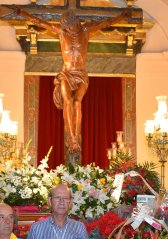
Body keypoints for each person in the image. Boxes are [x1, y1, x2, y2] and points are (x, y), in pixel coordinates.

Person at [11, 6, 131, 157]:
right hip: (66, 73)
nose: (66, 28)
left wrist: (122, 16)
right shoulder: (61, 33)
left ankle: (76, 136)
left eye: (67, 25)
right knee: (68, 102)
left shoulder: (86, 30)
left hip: (80, 74)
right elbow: (40, 22)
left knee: (77, 103)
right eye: (64, 26)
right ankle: (73, 139)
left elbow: (106, 23)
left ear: (74, 23)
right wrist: (22, 13)